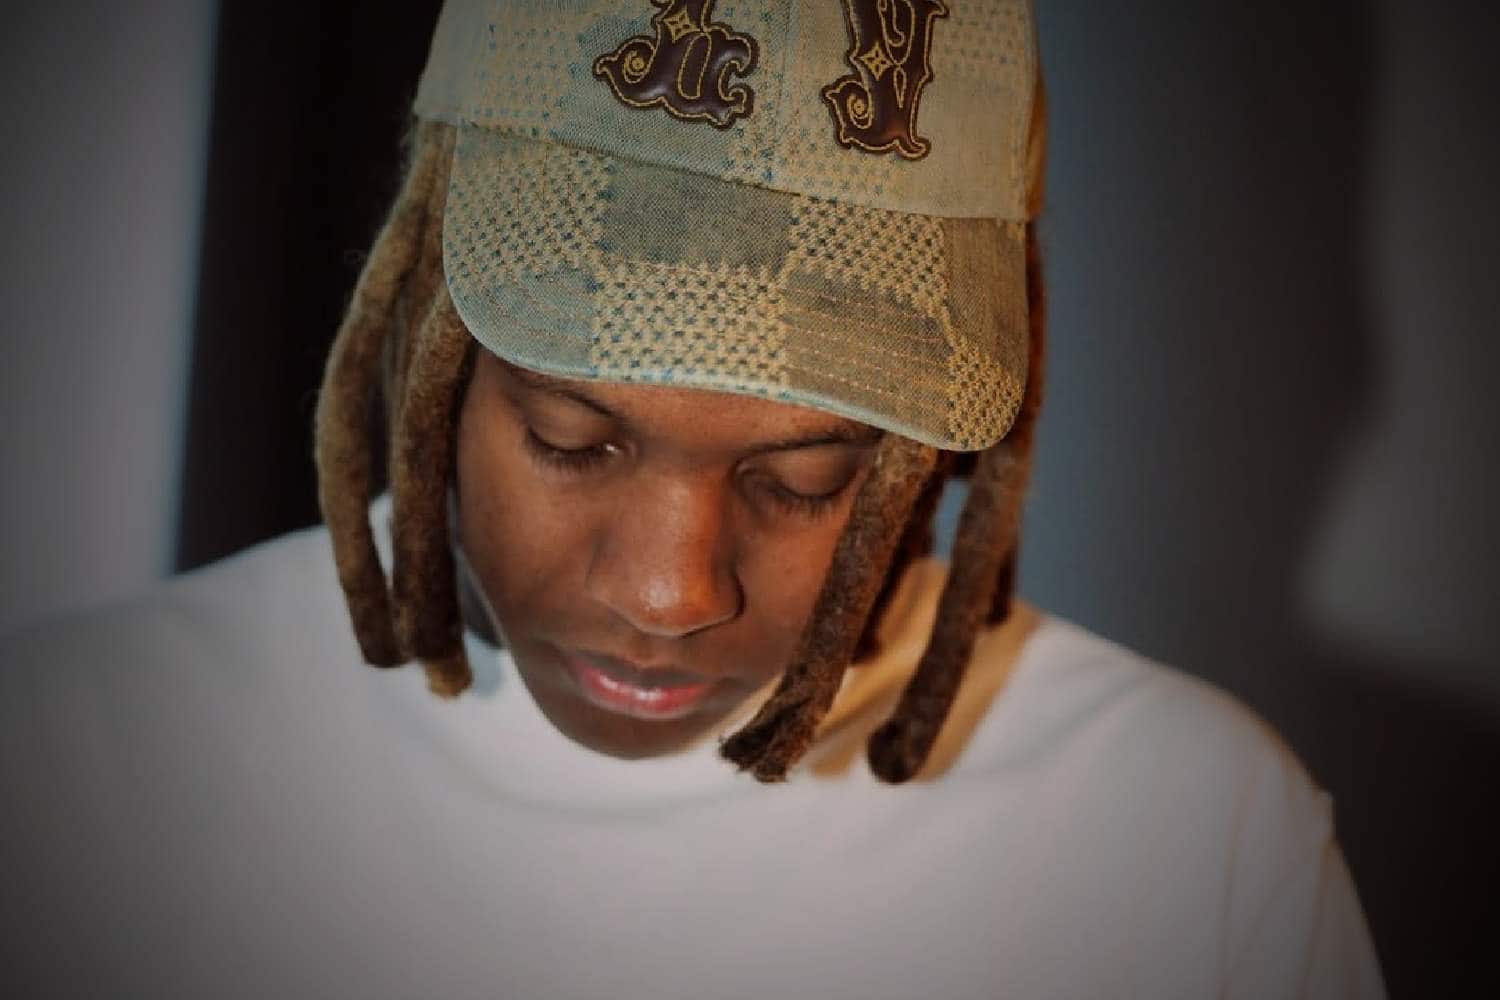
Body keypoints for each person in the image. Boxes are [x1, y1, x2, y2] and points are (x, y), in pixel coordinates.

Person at [0, 1, 1384, 997]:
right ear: (423, 334)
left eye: (805, 481)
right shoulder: (64, 779)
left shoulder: (1190, 847)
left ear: (942, 457)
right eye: (569, 440)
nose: (670, 596)